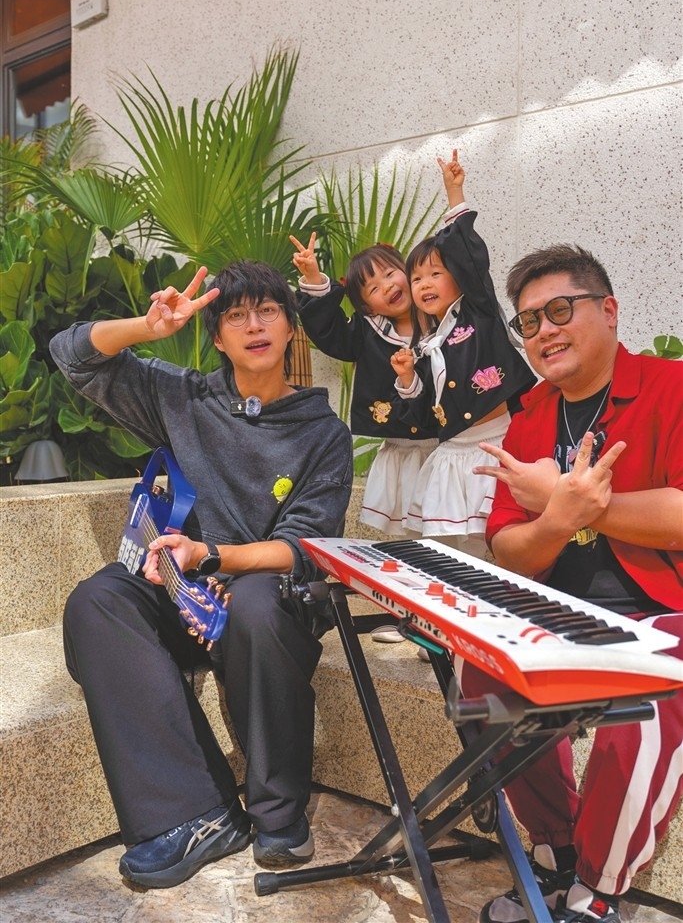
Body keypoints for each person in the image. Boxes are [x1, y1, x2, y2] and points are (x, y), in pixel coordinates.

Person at [50, 260, 353, 889]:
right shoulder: (185, 398)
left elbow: (303, 548)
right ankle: (198, 813)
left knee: (258, 604)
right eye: (236, 315)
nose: (254, 325)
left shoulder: (323, 433)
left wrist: (212, 556)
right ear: (217, 338)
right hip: (185, 589)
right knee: (97, 599)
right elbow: (72, 356)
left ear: (291, 327)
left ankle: (278, 811)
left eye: (268, 310)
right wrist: (146, 326)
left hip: (263, 597)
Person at [465, 243, 683, 923]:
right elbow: (509, 549)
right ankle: (554, 850)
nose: (542, 332)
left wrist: (570, 502)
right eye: (527, 322)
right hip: (558, 609)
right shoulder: (528, 417)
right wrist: (557, 520)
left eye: (558, 310)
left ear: (609, 311)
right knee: (478, 682)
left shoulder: (669, 387)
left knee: (648, 703)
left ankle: (598, 891)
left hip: (662, 609)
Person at [391, 151, 536, 557]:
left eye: (435, 272)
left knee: (498, 544)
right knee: (455, 551)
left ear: (458, 277)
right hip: (454, 452)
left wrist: (455, 195)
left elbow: (472, 260)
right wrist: (406, 379)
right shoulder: (425, 344)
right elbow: (420, 410)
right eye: (416, 278)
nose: (424, 283)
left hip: (499, 441)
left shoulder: (479, 310)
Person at [292, 232, 437, 539]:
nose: (387, 286)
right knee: (410, 537)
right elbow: (328, 330)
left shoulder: (444, 319)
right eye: (373, 288)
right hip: (402, 450)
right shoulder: (364, 332)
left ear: (408, 270)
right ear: (367, 307)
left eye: (389, 273)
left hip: (449, 447)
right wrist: (315, 278)